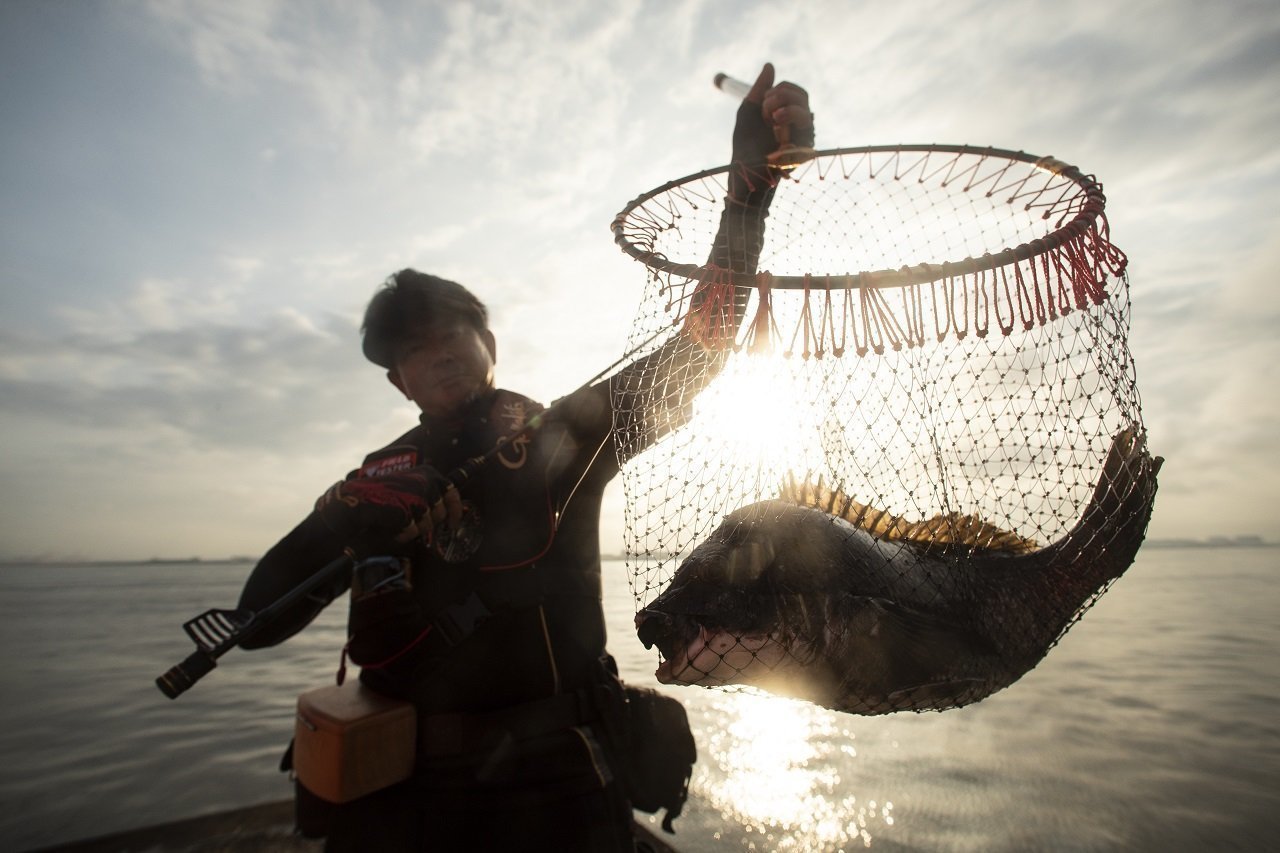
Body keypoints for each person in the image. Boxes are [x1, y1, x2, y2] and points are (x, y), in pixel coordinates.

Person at [234, 63, 813, 852]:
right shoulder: (374, 483)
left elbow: (697, 352)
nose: (435, 352)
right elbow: (252, 623)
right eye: (411, 348)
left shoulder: (562, 437)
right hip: (408, 799)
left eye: (449, 331)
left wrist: (748, 193)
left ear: (490, 346)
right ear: (400, 381)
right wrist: (344, 520)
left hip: (562, 789)